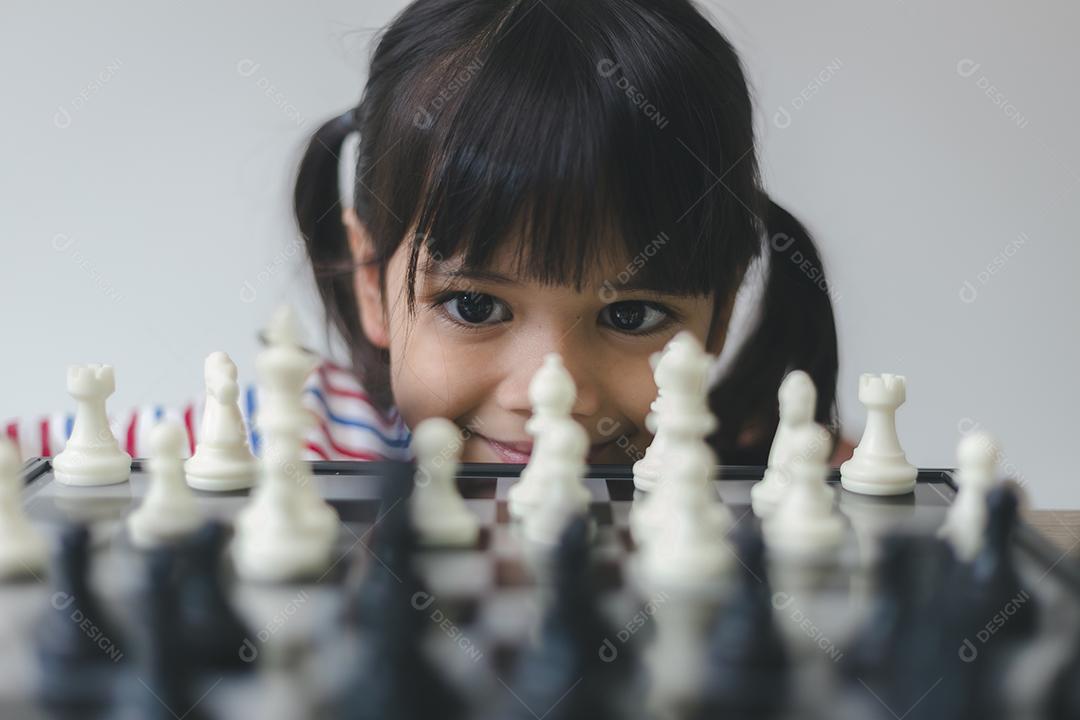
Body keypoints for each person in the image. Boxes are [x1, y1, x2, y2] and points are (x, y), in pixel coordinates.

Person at [6, 0, 851, 466]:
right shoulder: (291, 437)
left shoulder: (763, 474)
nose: (551, 396)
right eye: (477, 305)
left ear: (722, 309)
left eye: (632, 316)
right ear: (373, 285)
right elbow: (33, 468)